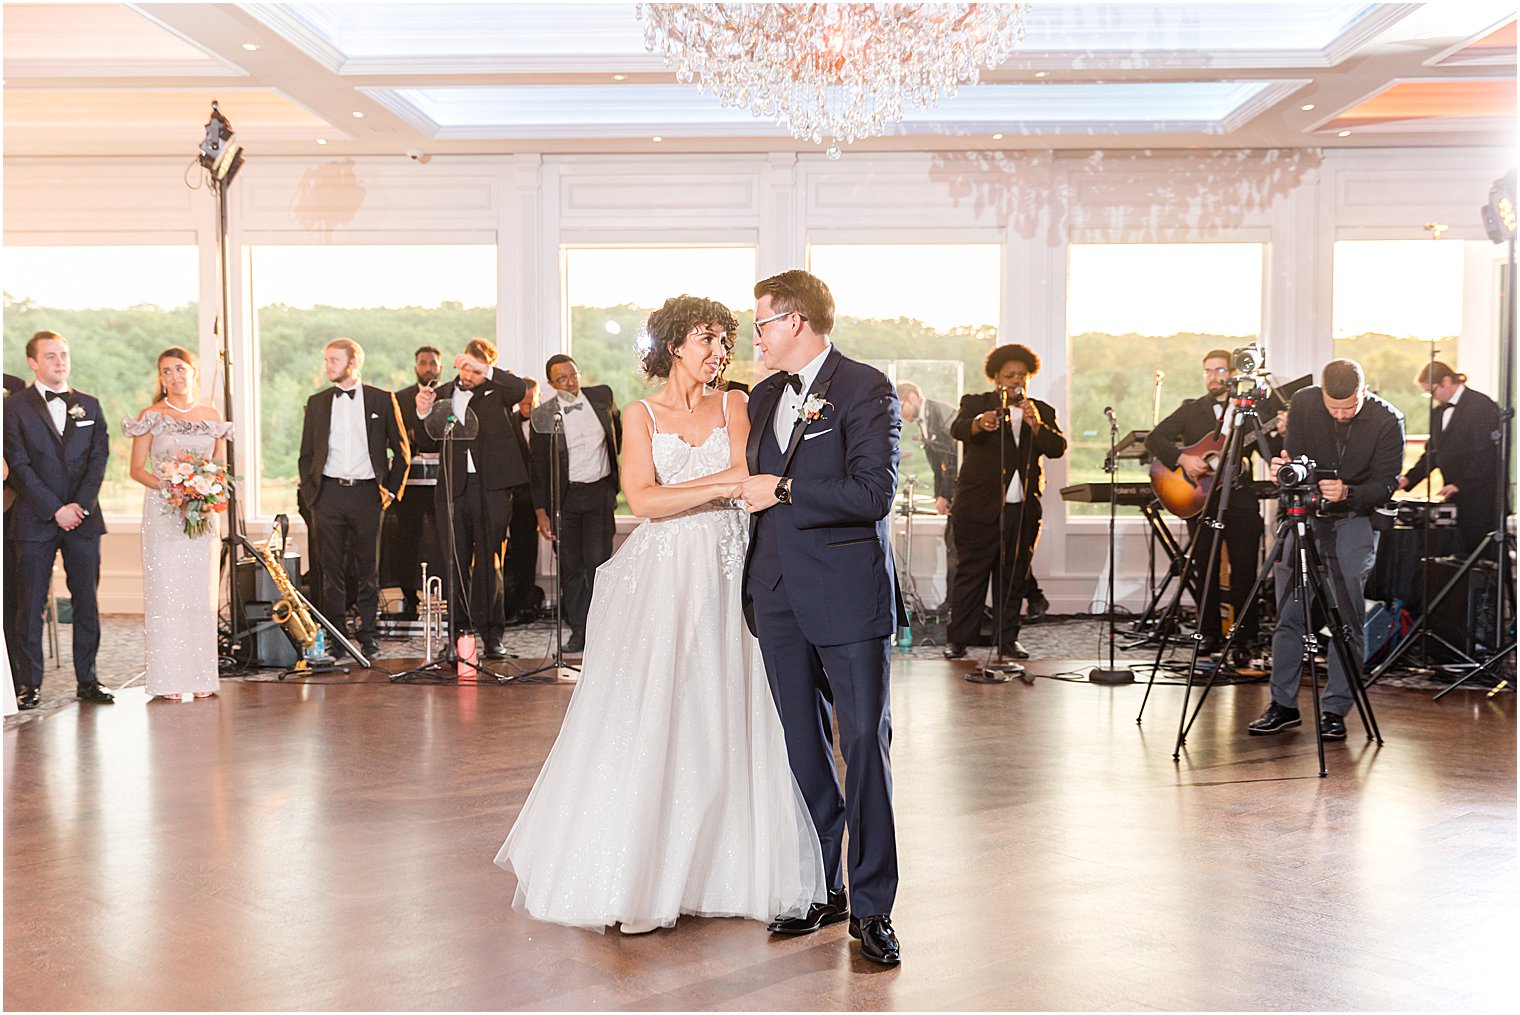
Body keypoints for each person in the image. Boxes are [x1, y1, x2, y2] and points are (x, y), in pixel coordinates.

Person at [497, 295, 824, 935]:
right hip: (666, 577)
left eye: (727, 342)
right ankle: (641, 865)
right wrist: (721, 486)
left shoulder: (736, 401)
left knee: (727, 705)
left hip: (729, 569)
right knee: (659, 707)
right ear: (675, 343)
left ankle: (723, 867)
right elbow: (643, 498)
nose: (720, 353)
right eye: (708, 340)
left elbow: (747, 471)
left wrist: (712, 488)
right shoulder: (640, 414)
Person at [740, 269, 905, 966]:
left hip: (846, 596)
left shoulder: (865, 387)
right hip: (775, 595)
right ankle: (823, 883)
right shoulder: (762, 395)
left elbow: (873, 492)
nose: (758, 336)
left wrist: (781, 486)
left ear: (797, 320)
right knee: (803, 749)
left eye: (763, 324)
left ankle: (872, 906)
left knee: (863, 741)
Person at [1250, 359, 1403, 741]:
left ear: (1363, 392)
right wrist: (1281, 469)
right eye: (1332, 406)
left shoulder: (1388, 420)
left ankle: (1335, 710)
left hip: (1353, 520)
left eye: (1347, 407)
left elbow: (1386, 484)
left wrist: (1349, 492)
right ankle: (1282, 705)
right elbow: (1295, 457)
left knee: (1345, 621)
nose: (1338, 413)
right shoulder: (1304, 403)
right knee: (1289, 614)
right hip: (1303, 517)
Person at [2, 331, 115, 708]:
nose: (59, 362)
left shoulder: (91, 405)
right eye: (50, 356)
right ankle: (28, 684)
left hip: (83, 520)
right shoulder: (14, 407)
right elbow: (18, 463)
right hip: (35, 519)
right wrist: (55, 509)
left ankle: (88, 680)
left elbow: (98, 461)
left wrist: (78, 506)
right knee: (29, 604)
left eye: (63, 355)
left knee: (86, 602)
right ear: (33, 363)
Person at [1145, 350, 1283, 657]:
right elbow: (1155, 439)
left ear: (1234, 374)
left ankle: (1246, 637)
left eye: (1219, 370)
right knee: (1204, 569)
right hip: (1200, 501)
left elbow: (1270, 453)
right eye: (1207, 371)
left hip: (1241, 502)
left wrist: (1281, 431)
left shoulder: (1253, 412)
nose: (1213, 377)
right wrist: (1183, 458)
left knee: (1246, 572)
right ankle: (1207, 634)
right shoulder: (1193, 410)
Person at [943, 344, 1067, 662]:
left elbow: (1057, 447)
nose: (1015, 381)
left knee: (1013, 577)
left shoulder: (1039, 409)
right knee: (970, 575)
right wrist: (979, 423)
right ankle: (958, 639)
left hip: (1022, 510)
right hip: (978, 507)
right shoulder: (977, 403)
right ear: (996, 376)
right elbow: (958, 428)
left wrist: (1036, 424)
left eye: (1021, 376)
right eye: (1009, 375)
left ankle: (1007, 640)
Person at [123, 347, 232, 699]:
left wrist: (206, 490)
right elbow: (137, 468)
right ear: (161, 377)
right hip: (165, 511)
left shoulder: (210, 415)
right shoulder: (151, 416)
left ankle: (201, 677)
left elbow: (218, 465)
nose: (174, 376)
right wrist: (173, 488)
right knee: (167, 592)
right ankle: (168, 678)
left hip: (201, 515)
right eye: (166, 371)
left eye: (180, 369)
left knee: (201, 595)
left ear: (194, 372)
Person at [414, 339, 528, 660]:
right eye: (464, 366)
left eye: (474, 368)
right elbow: (425, 441)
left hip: (492, 487)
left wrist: (486, 371)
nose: (468, 373)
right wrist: (423, 410)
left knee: (490, 562)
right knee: (454, 562)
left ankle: (492, 635)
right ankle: (457, 635)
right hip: (453, 489)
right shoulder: (443, 393)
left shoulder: (499, 389)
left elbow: (519, 390)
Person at [297, 338, 409, 659]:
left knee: (367, 570)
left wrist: (390, 490)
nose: (328, 365)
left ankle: (369, 635)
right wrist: (312, 494)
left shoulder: (382, 400)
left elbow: (401, 452)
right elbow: (306, 455)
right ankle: (337, 637)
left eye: (334, 359)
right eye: (326, 359)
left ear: (353, 363)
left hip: (367, 494)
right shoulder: (317, 402)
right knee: (329, 572)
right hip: (328, 495)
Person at [528, 354, 621, 655]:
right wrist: (541, 510)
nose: (571, 382)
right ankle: (579, 630)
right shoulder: (543, 414)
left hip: (599, 494)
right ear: (552, 384)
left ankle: (601, 629)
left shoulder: (602, 396)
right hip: (564, 500)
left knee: (598, 563)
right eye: (563, 379)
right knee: (571, 568)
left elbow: (619, 434)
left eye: (574, 375)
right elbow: (538, 467)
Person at [1397, 361, 1502, 555]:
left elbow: (1487, 454)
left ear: (1446, 381)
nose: (1432, 398)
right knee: (1458, 553)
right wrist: (1408, 479)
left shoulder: (1481, 405)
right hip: (1456, 498)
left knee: (1484, 553)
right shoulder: (1438, 412)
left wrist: (1461, 484)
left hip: (1482, 499)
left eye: (1432, 391)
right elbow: (1433, 453)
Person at [897, 380, 963, 615]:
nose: (900, 414)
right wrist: (940, 494)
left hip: (962, 490)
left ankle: (953, 605)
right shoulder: (924, 421)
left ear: (913, 398)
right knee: (952, 545)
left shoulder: (940, 413)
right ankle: (952, 603)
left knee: (956, 547)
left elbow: (952, 458)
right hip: (952, 491)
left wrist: (947, 495)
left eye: (901, 405)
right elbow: (938, 466)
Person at [392, 345, 443, 620]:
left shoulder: (448, 397)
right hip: (411, 483)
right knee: (407, 538)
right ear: (416, 368)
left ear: (440, 367)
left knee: (444, 539)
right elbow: (397, 436)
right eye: (423, 363)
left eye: (433, 363)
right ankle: (409, 596)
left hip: (442, 481)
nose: (428, 368)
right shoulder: (400, 399)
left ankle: (447, 594)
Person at [502, 378, 541, 626]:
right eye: (523, 401)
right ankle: (512, 605)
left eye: (531, 400)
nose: (527, 405)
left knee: (528, 552)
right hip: (513, 498)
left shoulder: (547, 421)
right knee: (513, 555)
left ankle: (528, 603)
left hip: (536, 499)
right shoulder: (509, 421)